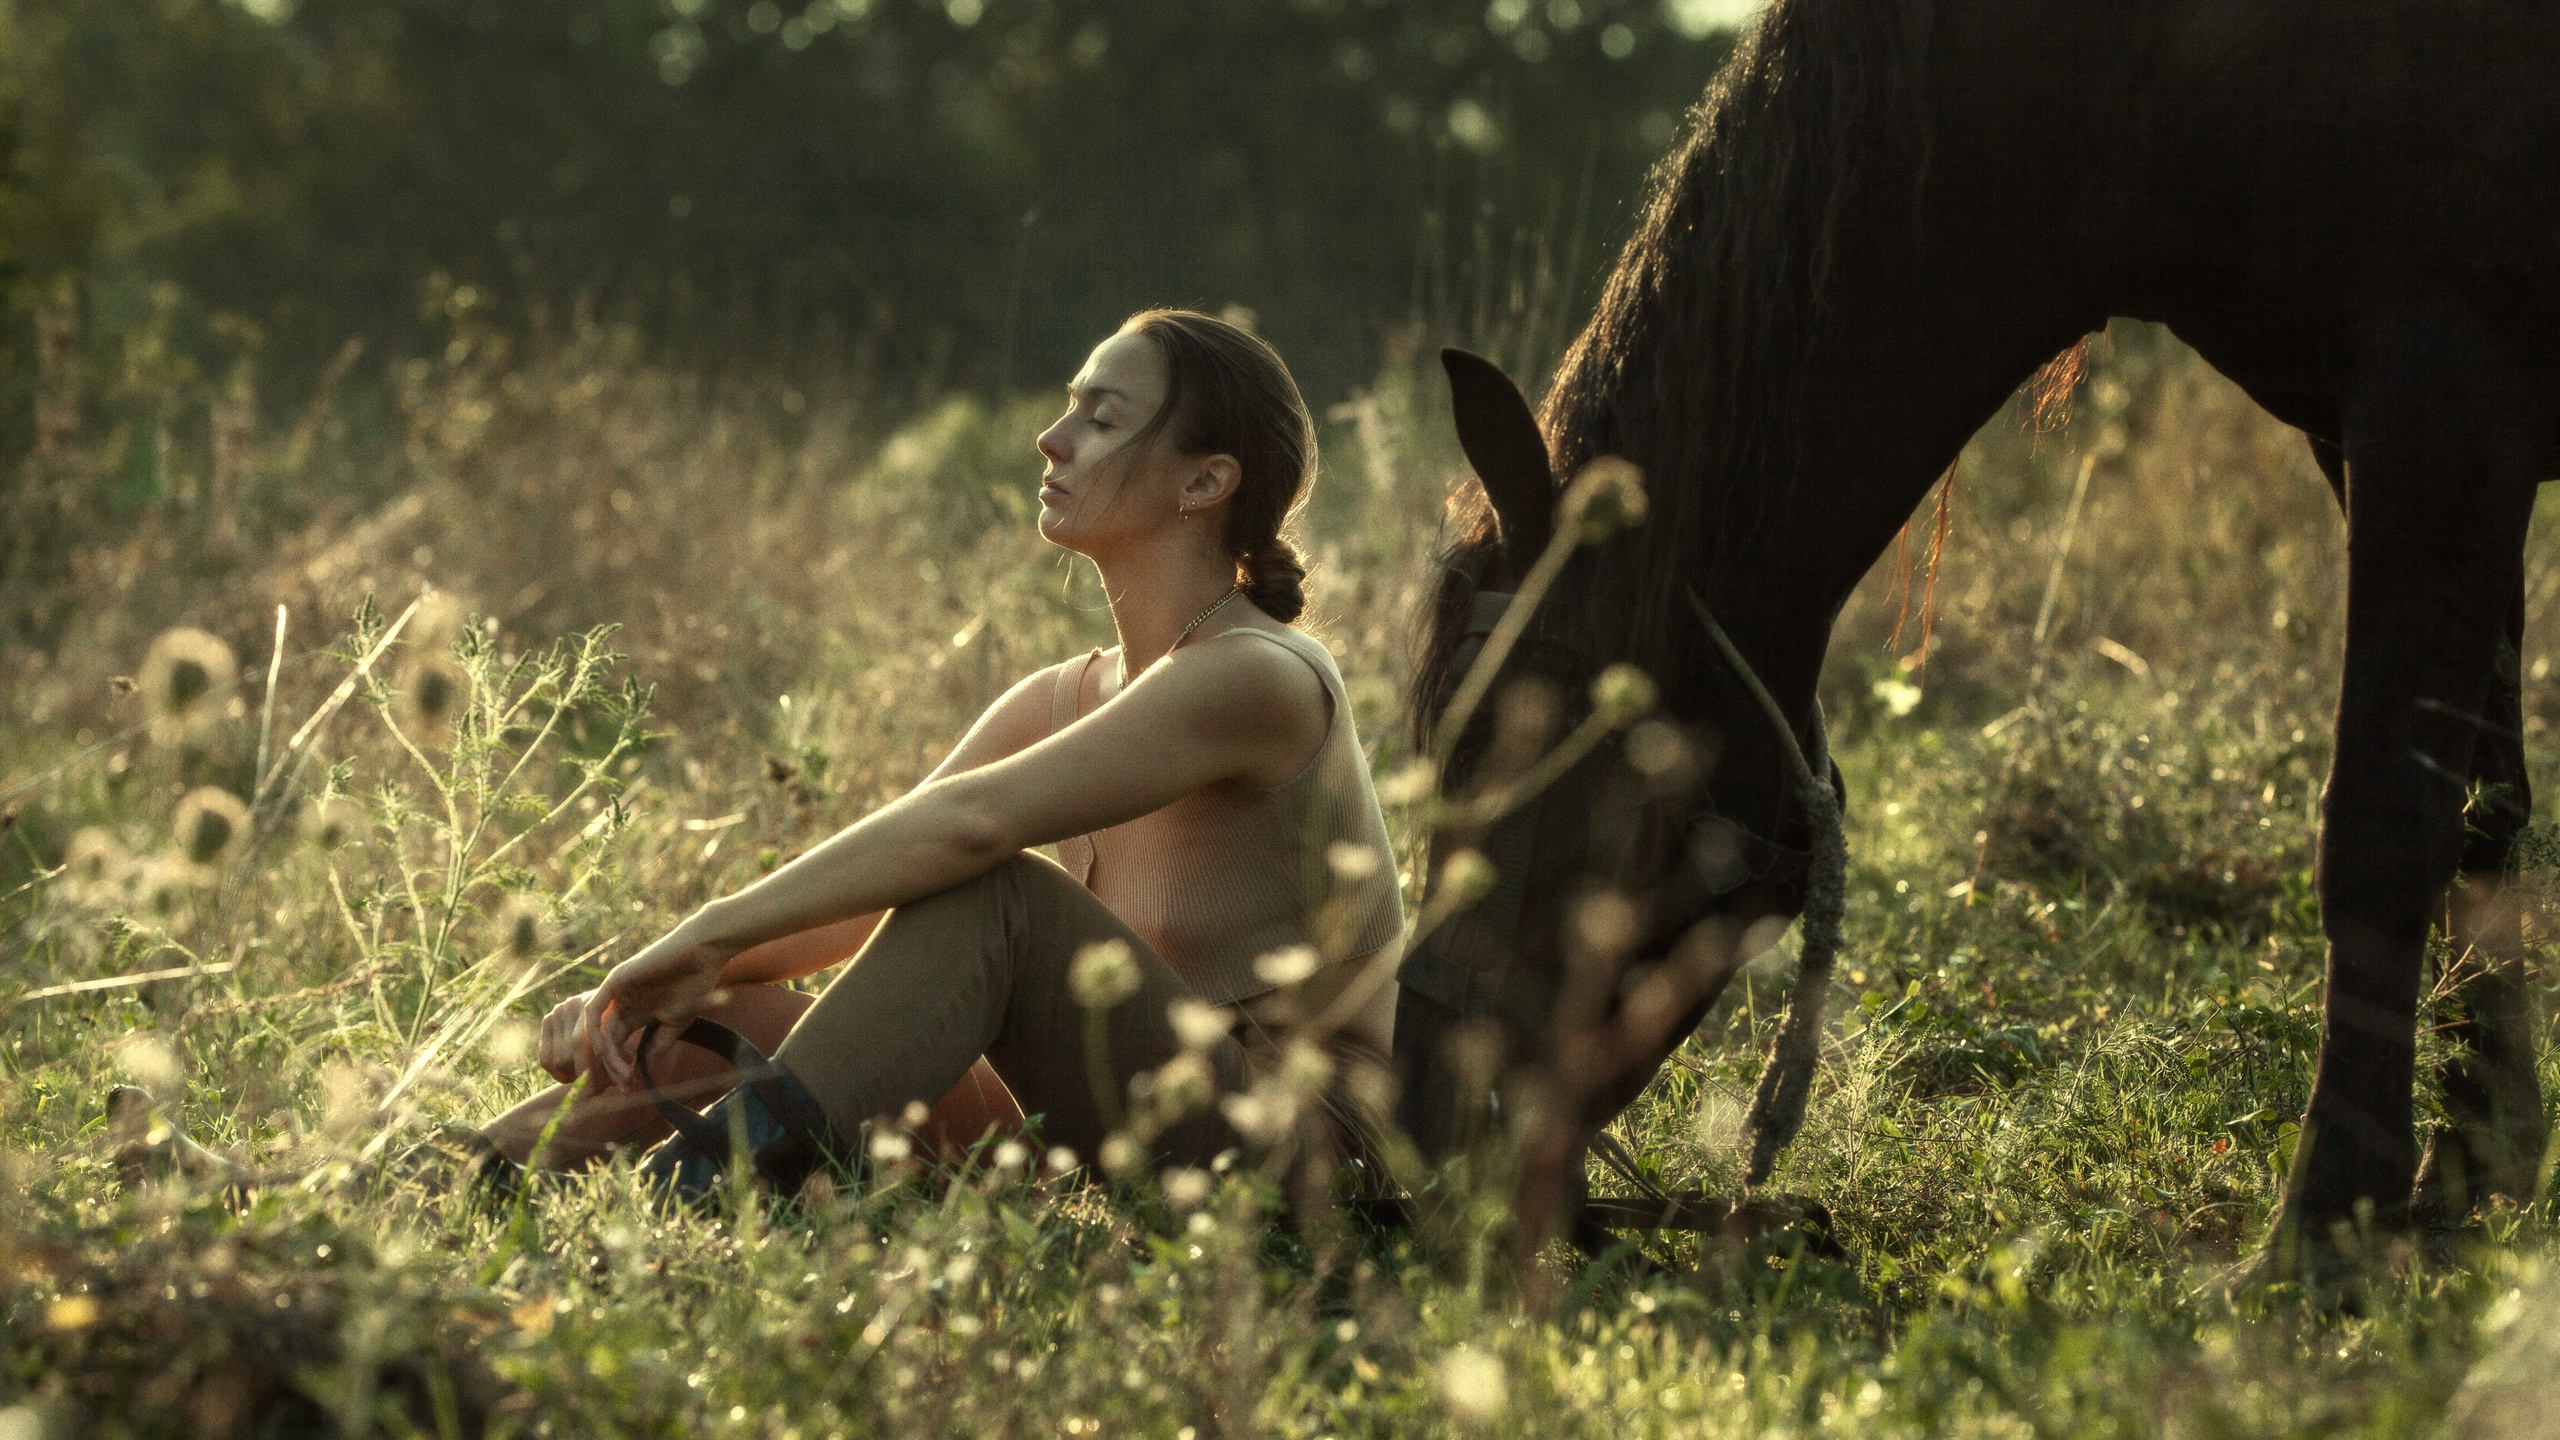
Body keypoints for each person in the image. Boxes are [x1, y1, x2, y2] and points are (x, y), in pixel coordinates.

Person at [476, 309, 1405, 1205]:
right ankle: (471, 1171)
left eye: (1103, 417)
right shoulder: (1067, 695)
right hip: (1100, 1122)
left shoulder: (1258, 677)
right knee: (720, 1016)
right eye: (1069, 403)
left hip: (1301, 1146)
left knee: (996, 895)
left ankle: (708, 1193)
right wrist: (647, 990)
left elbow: (968, 830)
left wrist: (707, 929)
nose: (1051, 437)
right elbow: (872, 893)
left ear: (1204, 484)